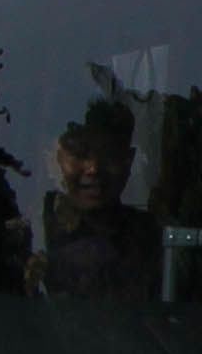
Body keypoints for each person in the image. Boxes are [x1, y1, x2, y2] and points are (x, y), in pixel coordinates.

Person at [30, 112, 159, 299]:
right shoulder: (31, 234)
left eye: (108, 154)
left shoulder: (154, 239)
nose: (93, 168)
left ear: (128, 160)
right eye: (80, 154)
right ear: (51, 160)